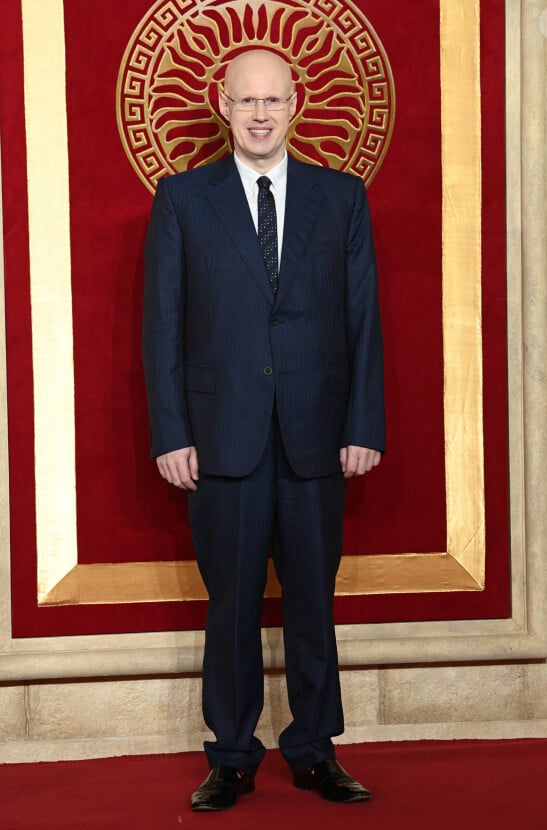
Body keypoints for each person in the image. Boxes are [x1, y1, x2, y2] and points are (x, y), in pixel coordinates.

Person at [142, 48, 385, 812]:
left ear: (295, 103)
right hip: (221, 439)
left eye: (272, 100)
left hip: (317, 435)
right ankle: (233, 756)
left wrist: (363, 424)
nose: (258, 113)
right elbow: (164, 326)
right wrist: (172, 433)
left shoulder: (342, 197)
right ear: (221, 103)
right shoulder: (181, 199)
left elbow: (364, 321)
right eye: (246, 100)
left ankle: (315, 751)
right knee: (232, 604)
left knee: (313, 601)